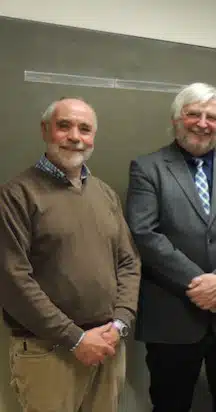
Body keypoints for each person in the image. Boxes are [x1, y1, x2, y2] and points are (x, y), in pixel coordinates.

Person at [126, 82, 216, 412]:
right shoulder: (148, 169)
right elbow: (144, 233)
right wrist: (200, 285)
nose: (203, 123)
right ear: (177, 119)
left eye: (211, 116)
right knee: (169, 404)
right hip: (173, 318)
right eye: (193, 114)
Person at [0, 97, 141, 412]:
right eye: (64, 126)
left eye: (84, 128)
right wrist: (74, 338)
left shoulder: (104, 194)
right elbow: (12, 279)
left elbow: (129, 263)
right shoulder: (16, 195)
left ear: (93, 136)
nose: (75, 136)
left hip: (108, 345)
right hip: (49, 352)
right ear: (45, 130)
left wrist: (120, 323)